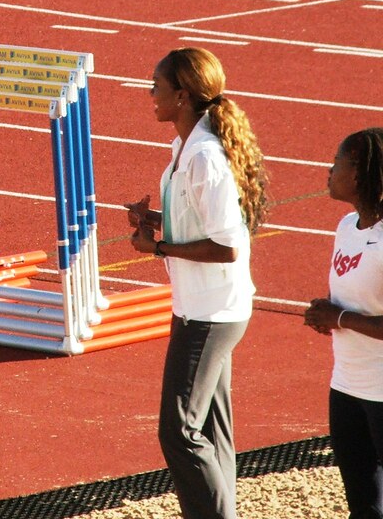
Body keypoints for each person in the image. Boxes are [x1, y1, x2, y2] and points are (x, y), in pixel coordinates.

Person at [124, 47, 268, 519]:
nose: (150, 93)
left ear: (182, 95)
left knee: (178, 431)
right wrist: (156, 219)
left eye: (157, 86)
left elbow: (228, 245)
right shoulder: (186, 146)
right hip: (203, 307)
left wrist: (159, 248)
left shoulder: (205, 156)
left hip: (210, 314)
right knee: (211, 428)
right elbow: (199, 222)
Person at [303, 128, 383, 519]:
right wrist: (326, 314)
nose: (329, 170)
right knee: (363, 505)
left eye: (336, 162)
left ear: (360, 171)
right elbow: (352, 298)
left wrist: (339, 318)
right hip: (347, 384)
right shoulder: (346, 227)